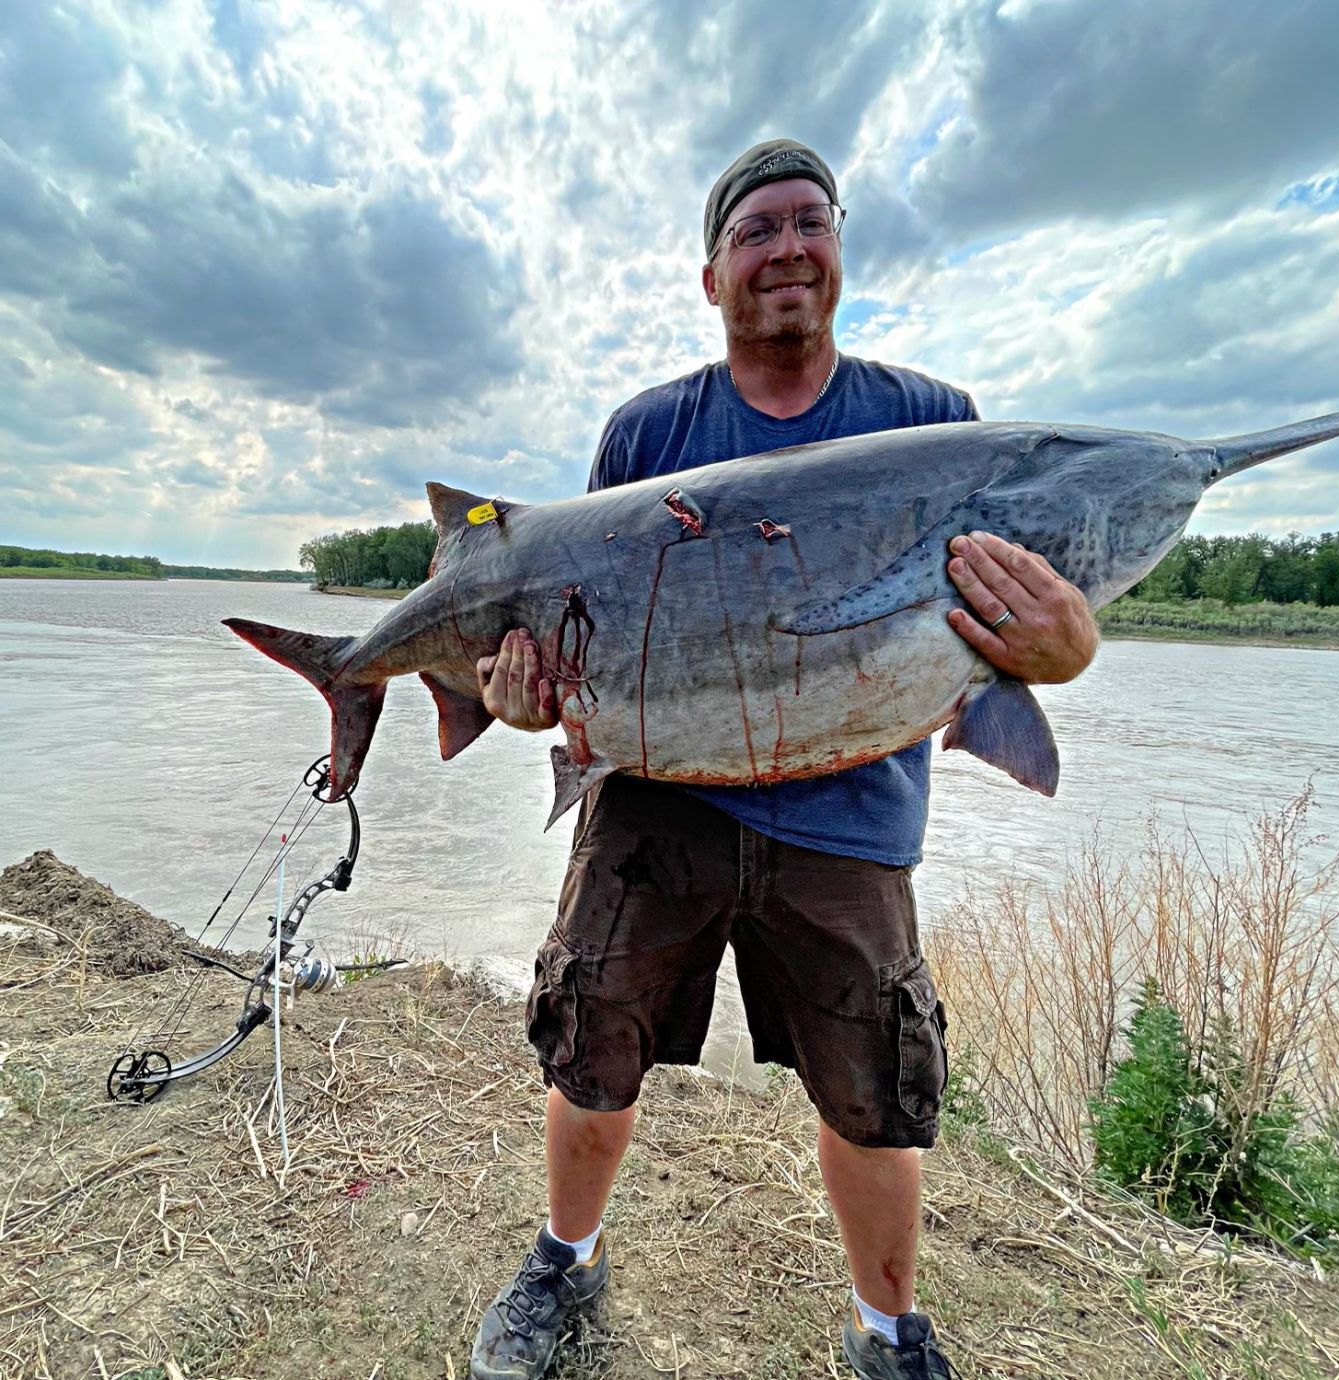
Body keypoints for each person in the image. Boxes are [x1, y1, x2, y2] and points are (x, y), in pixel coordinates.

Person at [468, 139, 1097, 1380]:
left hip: (851, 820)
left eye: (809, 221)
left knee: (873, 1100)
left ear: (841, 249)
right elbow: (577, 651)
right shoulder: (645, 434)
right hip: (654, 812)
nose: (786, 248)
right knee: (593, 1059)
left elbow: (1011, 638)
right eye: (754, 231)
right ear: (711, 277)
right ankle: (562, 1262)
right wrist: (523, 698)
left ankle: (888, 1331)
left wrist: (1066, 648)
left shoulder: (934, 425)